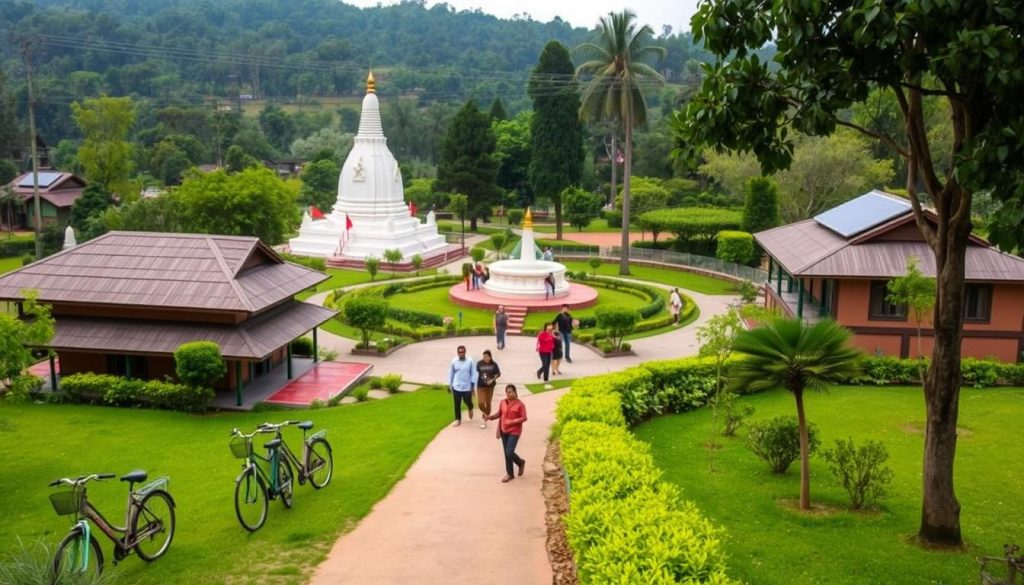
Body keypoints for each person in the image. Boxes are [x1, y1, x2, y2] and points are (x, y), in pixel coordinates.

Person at [485, 384, 527, 483]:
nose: (508, 394)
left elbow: (524, 418)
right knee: (506, 453)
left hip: (514, 431)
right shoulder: (503, 402)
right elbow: (499, 413)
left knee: (509, 451)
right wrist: (490, 417)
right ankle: (510, 474)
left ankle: (520, 463)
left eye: (510, 392)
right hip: (504, 430)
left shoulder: (520, 405)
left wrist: (512, 422)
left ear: (515, 392)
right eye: (507, 392)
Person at [447, 345, 477, 427]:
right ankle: (457, 419)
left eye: (462, 352)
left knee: (467, 400)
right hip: (457, 385)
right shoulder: (454, 361)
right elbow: (451, 374)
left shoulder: (470, 361)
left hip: (467, 386)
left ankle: (470, 407)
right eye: (459, 352)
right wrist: (450, 385)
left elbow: (473, 373)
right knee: (457, 403)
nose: (461, 353)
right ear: (457, 353)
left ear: (465, 352)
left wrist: (472, 385)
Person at [475, 350, 501, 429]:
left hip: (490, 386)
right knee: (480, 402)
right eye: (484, 356)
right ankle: (486, 413)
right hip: (481, 385)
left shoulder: (494, 364)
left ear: (490, 357)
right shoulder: (479, 363)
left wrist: (492, 380)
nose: (485, 358)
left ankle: (486, 417)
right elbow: (478, 372)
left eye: (487, 357)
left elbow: (498, 374)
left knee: (488, 402)